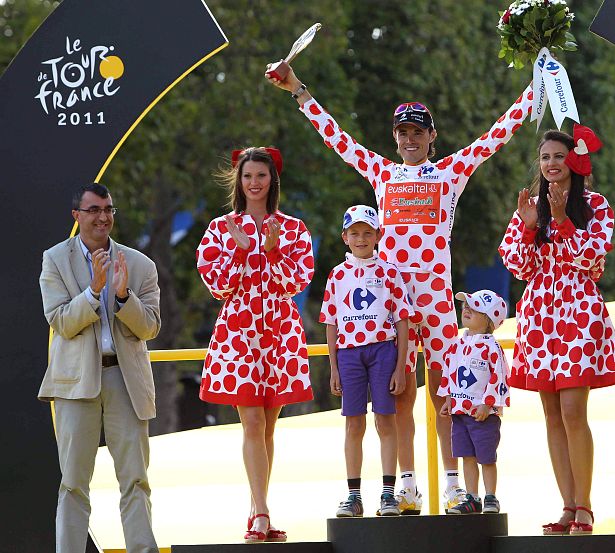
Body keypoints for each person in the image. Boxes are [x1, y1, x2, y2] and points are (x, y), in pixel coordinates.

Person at [267, 62, 536, 513]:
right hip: (392, 305)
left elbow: (497, 135)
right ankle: (406, 484)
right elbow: (337, 139)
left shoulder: (451, 172)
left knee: (449, 393)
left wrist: (536, 87)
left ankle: (454, 485)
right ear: (395, 138)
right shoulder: (381, 173)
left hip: (435, 298)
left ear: (433, 137)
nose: (410, 140)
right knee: (401, 396)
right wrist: (298, 90)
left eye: (418, 133)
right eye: (403, 133)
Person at [498, 126, 615, 535]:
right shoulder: (527, 206)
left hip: (577, 312)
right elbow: (518, 266)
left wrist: (560, 221)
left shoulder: (597, 206)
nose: (551, 163)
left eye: (558, 156)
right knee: (551, 413)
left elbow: (590, 259)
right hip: (538, 315)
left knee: (573, 410)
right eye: (545, 157)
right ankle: (568, 506)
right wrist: (531, 226)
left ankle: (586, 506)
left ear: (574, 160)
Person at [196, 146, 314, 543]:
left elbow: (296, 283)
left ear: (272, 180)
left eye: (261, 175)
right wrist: (242, 251)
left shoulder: (294, 228)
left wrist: (273, 249)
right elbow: (217, 285)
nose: (254, 183)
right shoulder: (219, 228)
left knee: (267, 429)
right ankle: (262, 512)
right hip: (239, 333)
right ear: (239, 180)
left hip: (280, 333)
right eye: (248, 176)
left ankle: (256, 508)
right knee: (253, 422)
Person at [38, 183, 161, 553]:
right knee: (74, 483)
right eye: (93, 210)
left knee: (136, 480)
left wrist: (123, 296)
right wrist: (93, 292)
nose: (103, 217)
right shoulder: (54, 260)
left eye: (108, 209)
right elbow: (60, 320)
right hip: (76, 383)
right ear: (76, 216)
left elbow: (150, 327)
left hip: (126, 381)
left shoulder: (139, 264)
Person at [321, 204, 413, 517]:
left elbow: (402, 319)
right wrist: (333, 366)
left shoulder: (389, 271)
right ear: (344, 237)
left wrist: (400, 366)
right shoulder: (337, 275)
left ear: (378, 236)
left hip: (383, 350)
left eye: (367, 232)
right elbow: (331, 322)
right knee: (353, 423)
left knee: (386, 419)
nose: (361, 238)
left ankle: (388, 493)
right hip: (349, 354)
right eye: (355, 233)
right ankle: (353, 496)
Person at [438, 290, 510, 515]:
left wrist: (488, 404)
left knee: (486, 457)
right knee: (466, 455)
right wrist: (448, 399)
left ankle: (490, 496)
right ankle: (472, 497)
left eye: (475, 308)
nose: (466, 309)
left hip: (482, 414)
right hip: (459, 414)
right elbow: (450, 372)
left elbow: (499, 376)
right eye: (466, 305)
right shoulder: (456, 346)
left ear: (489, 320)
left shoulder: (492, 347)